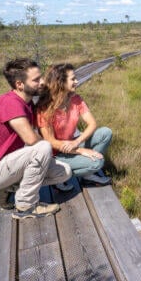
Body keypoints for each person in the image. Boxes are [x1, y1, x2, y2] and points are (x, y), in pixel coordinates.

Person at [0, 58, 72, 220]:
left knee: (64, 172)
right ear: (19, 84)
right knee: (43, 147)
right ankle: (26, 206)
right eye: (36, 80)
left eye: (41, 77)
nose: (42, 82)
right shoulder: (10, 102)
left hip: (7, 166)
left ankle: (9, 188)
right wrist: (54, 146)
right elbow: (31, 139)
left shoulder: (27, 103)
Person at [35, 63, 112, 191]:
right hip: (55, 155)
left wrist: (77, 142)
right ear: (60, 82)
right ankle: (58, 177)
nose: (76, 81)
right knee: (97, 163)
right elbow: (51, 142)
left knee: (105, 132)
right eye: (73, 79)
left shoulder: (76, 99)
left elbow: (92, 123)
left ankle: (87, 175)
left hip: (71, 144)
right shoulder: (44, 108)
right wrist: (81, 151)